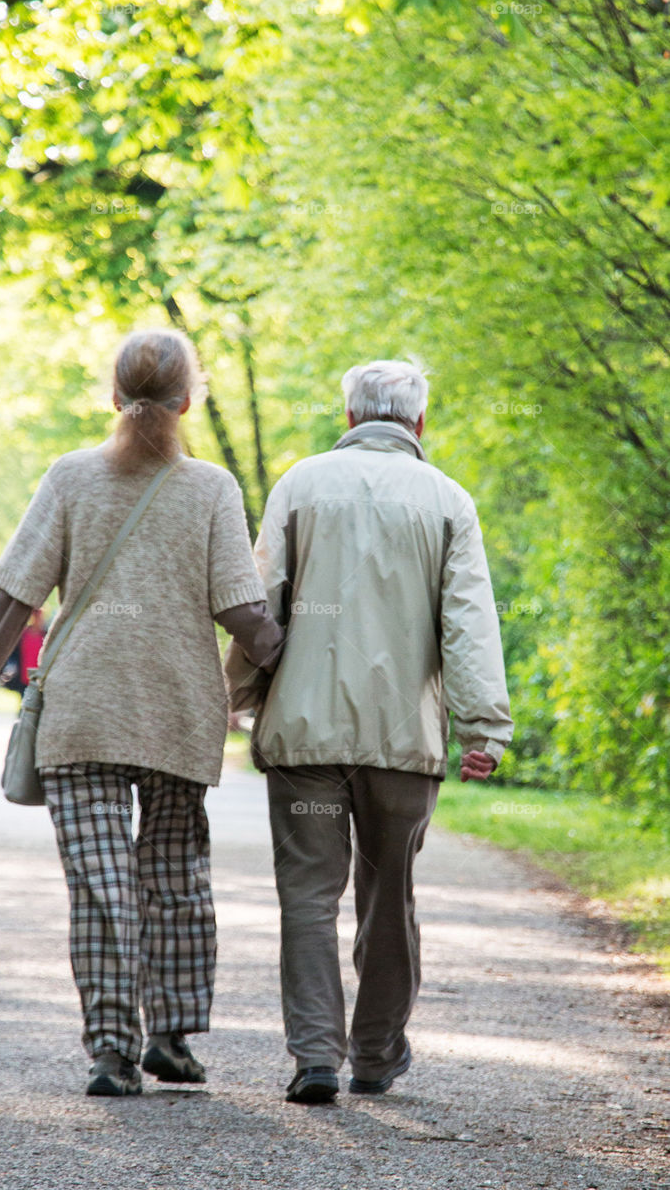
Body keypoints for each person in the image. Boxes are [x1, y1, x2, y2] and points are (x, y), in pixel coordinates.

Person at [0, 329, 284, 1098]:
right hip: (176, 711)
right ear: (189, 400)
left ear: (111, 396)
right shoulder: (212, 488)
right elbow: (240, 606)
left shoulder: (69, 477)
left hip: (83, 714)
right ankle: (171, 1036)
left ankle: (109, 1051)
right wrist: (286, 654)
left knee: (100, 884)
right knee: (174, 878)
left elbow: (12, 592)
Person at [225, 359, 513, 1105]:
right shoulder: (447, 499)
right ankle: (377, 1053)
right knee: (390, 896)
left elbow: (260, 605)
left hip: (305, 738)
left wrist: (235, 695)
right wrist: (482, 726)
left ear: (348, 418)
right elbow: (469, 624)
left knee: (307, 896)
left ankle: (315, 1055)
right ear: (418, 424)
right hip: (400, 743)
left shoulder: (300, 483)